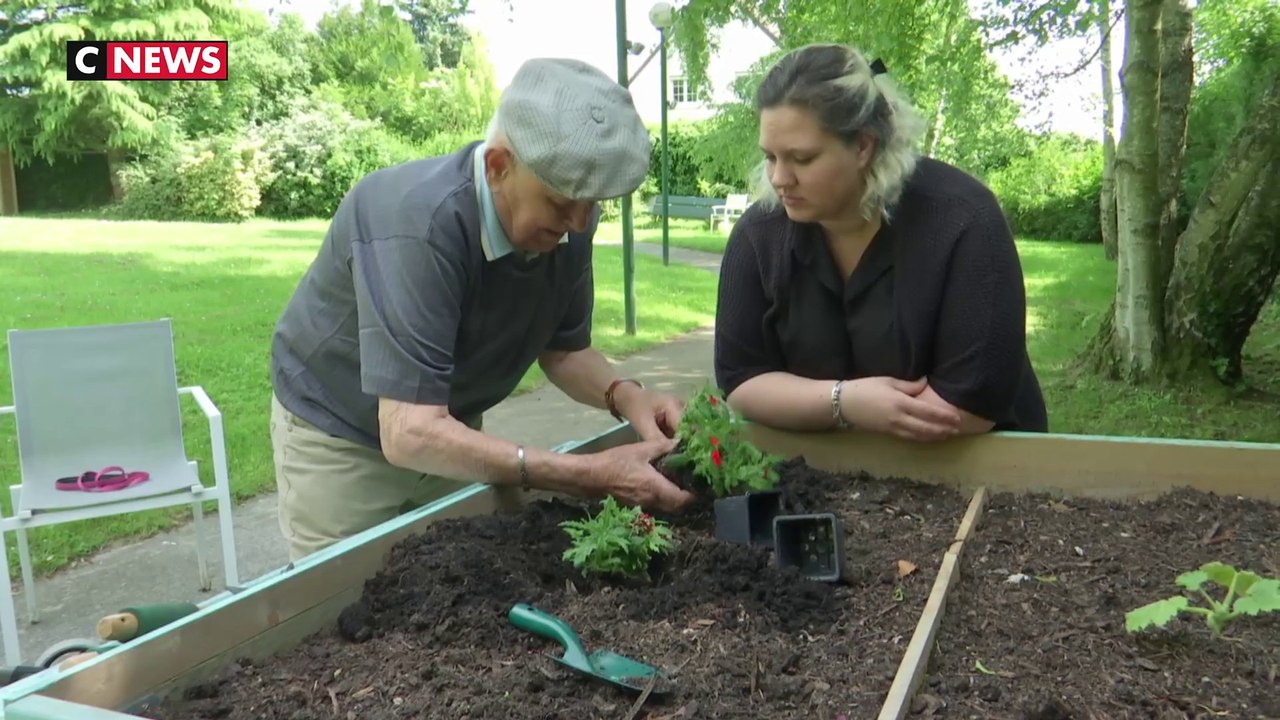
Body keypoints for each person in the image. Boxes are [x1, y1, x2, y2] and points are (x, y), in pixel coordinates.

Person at [268, 57, 695, 561]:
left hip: (449, 423)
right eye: (562, 202)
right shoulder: (416, 222)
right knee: (353, 611)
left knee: (477, 581)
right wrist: (588, 475)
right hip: (342, 438)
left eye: (594, 203)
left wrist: (627, 397)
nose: (580, 224)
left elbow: (563, 350)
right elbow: (409, 431)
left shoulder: (567, 223)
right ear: (498, 166)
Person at [713, 43, 1048, 441]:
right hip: (824, 474)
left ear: (863, 146)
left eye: (801, 159)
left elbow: (970, 407)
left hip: (982, 466)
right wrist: (845, 401)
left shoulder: (962, 220)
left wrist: (806, 403)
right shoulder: (759, 235)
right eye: (770, 157)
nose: (779, 179)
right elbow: (741, 380)